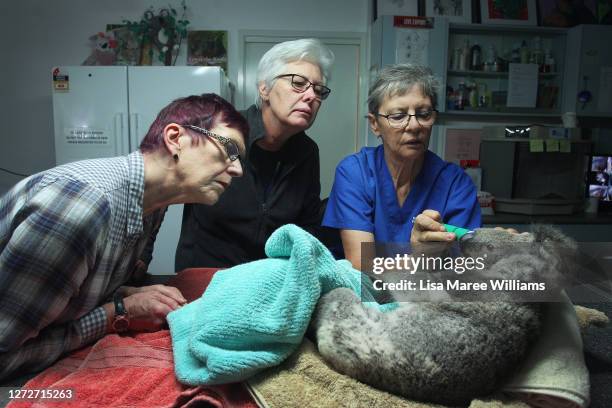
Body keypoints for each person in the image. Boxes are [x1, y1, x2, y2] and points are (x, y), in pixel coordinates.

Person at [0, 93, 247, 381]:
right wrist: (117, 314)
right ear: (175, 138)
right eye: (229, 148)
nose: (238, 169)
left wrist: (124, 293)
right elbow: (4, 355)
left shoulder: (154, 203)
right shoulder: (81, 207)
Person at [176, 38, 335, 268]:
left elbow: (307, 225)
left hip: (267, 282)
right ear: (264, 88)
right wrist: (141, 257)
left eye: (318, 90)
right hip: (207, 280)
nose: (311, 96)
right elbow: (163, 186)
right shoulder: (220, 131)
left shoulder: (307, 152)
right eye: (298, 83)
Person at [322, 64, 481, 269]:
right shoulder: (355, 172)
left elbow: (464, 266)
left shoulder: (455, 184)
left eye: (424, 114)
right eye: (398, 116)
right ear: (374, 124)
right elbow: (361, 265)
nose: (414, 126)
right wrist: (419, 260)